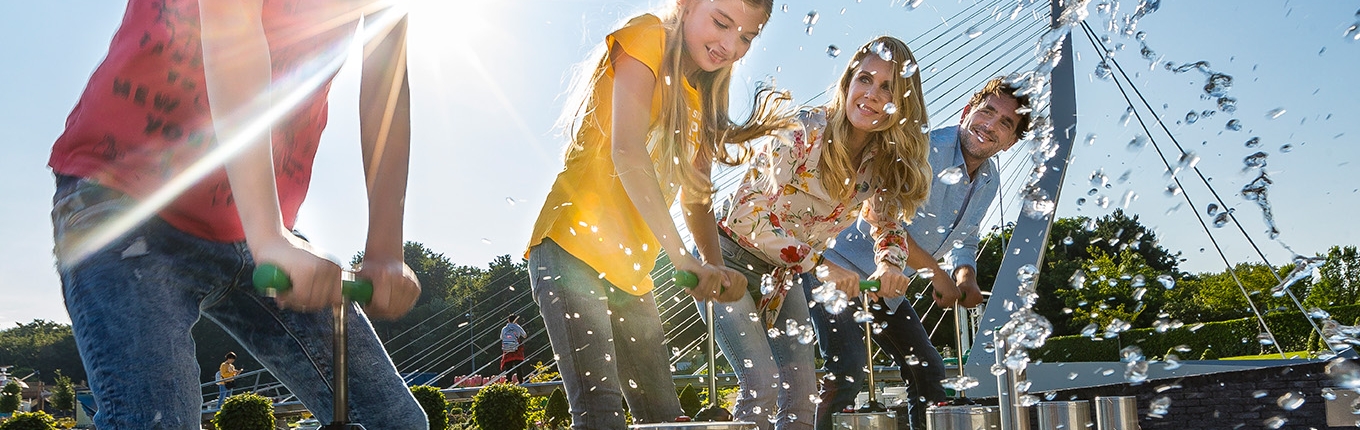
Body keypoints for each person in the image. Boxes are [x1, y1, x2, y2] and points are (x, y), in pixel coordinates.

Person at [47, 1, 427, 428]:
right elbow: (234, 29)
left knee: (393, 421)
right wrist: (268, 236)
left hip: (251, 223)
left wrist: (385, 250)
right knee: (154, 420)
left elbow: (387, 89)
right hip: (124, 197)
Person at [525, 0, 786, 427]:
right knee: (601, 415)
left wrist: (714, 269)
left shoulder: (701, 97)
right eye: (721, 23)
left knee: (665, 418)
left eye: (745, 37)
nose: (729, 44)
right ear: (685, 5)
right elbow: (626, 150)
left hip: (631, 274)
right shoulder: (647, 36)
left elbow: (697, 197)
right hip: (570, 249)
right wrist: (682, 258)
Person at [706, 36, 934, 430]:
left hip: (783, 276)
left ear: (903, 103)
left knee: (802, 391)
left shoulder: (878, 162)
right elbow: (746, 212)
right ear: (847, 83)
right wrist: (819, 264)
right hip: (729, 259)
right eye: (864, 79)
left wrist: (889, 264)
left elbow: (887, 223)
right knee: (761, 380)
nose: (872, 95)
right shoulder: (802, 130)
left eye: (887, 88)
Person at [809, 76, 1031, 430]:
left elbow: (967, 238)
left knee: (927, 367)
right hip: (840, 268)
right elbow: (886, 223)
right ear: (966, 112)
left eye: (1006, 123)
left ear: (1011, 142)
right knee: (848, 366)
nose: (990, 125)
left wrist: (964, 274)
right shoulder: (925, 150)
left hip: (889, 284)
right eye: (987, 111)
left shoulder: (989, 180)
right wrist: (937, 274)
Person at [500, 314, 528, 383]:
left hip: (507, 350)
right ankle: (520, 380)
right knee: (518, 367)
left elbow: (501, 337)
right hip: (517, 349)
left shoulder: (504, 328)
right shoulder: (518, 327)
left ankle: (508, 381)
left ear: (508, 320)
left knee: (508, 367)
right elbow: (524, 335)